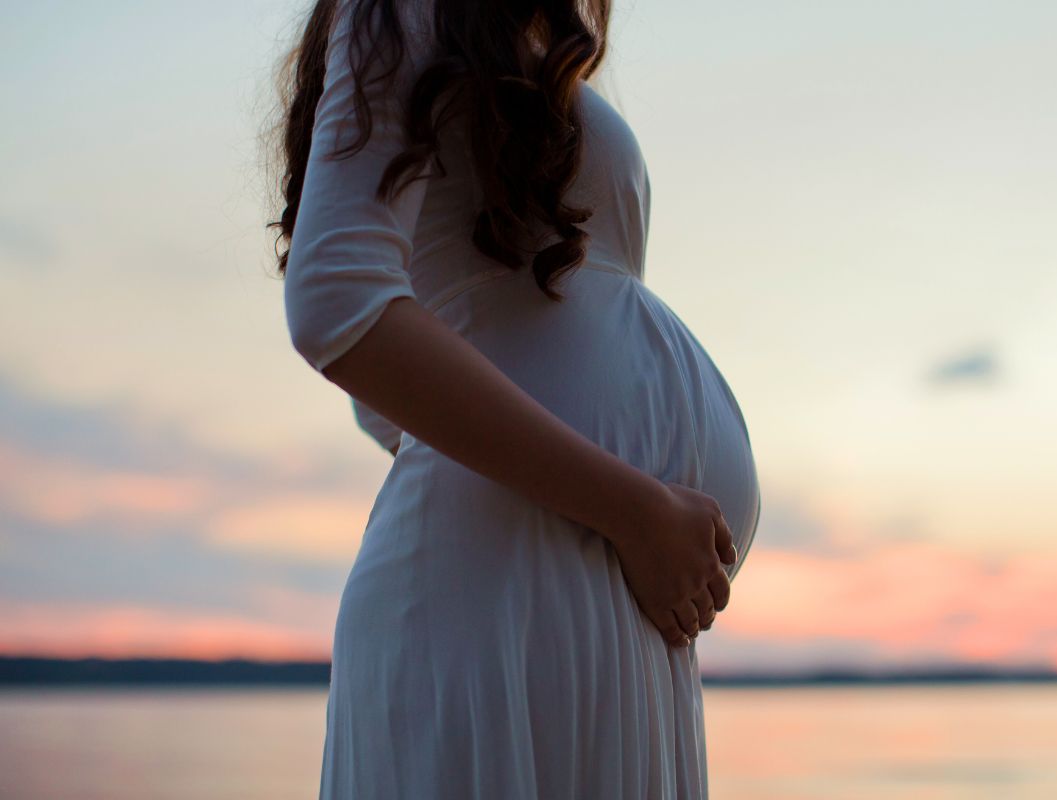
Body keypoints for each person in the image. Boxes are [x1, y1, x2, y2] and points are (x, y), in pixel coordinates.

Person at [267, 0, 760, 796]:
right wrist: (632, 509)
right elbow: (336, 299)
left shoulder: (519, 40)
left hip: (608, 612)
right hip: (509, 604)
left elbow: (399, 398)